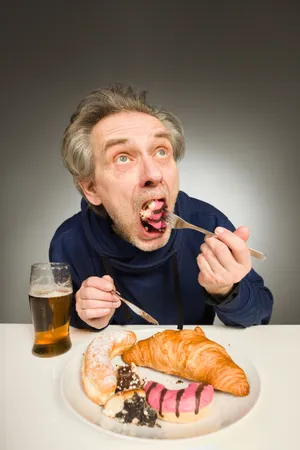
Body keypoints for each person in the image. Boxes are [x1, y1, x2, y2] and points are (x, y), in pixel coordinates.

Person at [49, 84, 273, 331]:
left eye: (161, 151)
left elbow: (260, 317)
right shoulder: (69, 242)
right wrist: (85, 316)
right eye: (122, 157)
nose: (153, 173)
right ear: (92, 188)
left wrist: (227, 290)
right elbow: (59, 324)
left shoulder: (206, 223)